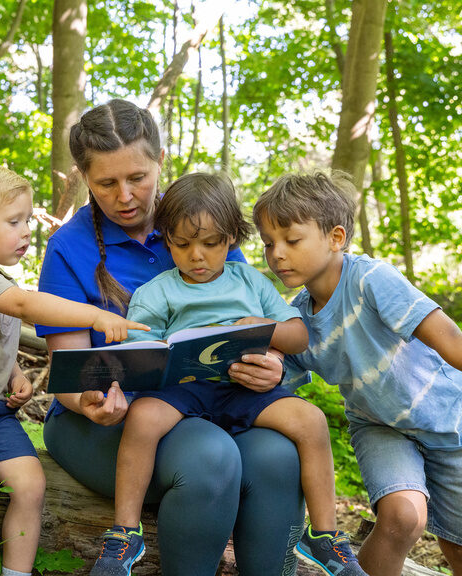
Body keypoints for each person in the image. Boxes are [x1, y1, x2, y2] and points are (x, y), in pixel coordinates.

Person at [36, 99, 306, 576]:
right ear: (82, 178)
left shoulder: (201, 222)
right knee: (209, 455)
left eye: (137, 177)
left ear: (160, 162)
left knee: (278, 456)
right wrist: (92, 401)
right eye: (106, 183)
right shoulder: (68, 249)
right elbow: (69, 376)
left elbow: (256, 322)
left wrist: (269, 366)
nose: (125, 196)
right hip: (102, 422)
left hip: (215, 400)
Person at [88, 172, 367, 576]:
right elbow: (140, 350)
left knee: (312, 420)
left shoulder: (252, 282)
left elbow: (299, 335)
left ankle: (324, 536)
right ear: (167, 239)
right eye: (182, 244)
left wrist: (262, 326)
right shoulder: (158, 291)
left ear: (232, 238)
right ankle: (124, 535)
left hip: (245, 388)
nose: (196, 256)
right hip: (183, 391)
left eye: (211, 243)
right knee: (144, 417)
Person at [0, 162, 148, 576]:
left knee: (32, 484)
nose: (25, 232)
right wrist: (94, 315)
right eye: (14, 222)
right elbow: (22, 305)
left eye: (27, 221)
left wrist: (14, 372)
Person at [254, 170, 462, 576]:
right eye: (267, 244)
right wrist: (266, 369)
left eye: (291, 240)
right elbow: (281, 373)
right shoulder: (296, 320)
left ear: (336, 238)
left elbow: (450, 339)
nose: (276, 253)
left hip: (448, 420)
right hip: (380, 427)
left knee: (457, 548)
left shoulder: (371, 280)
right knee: (403, 517)